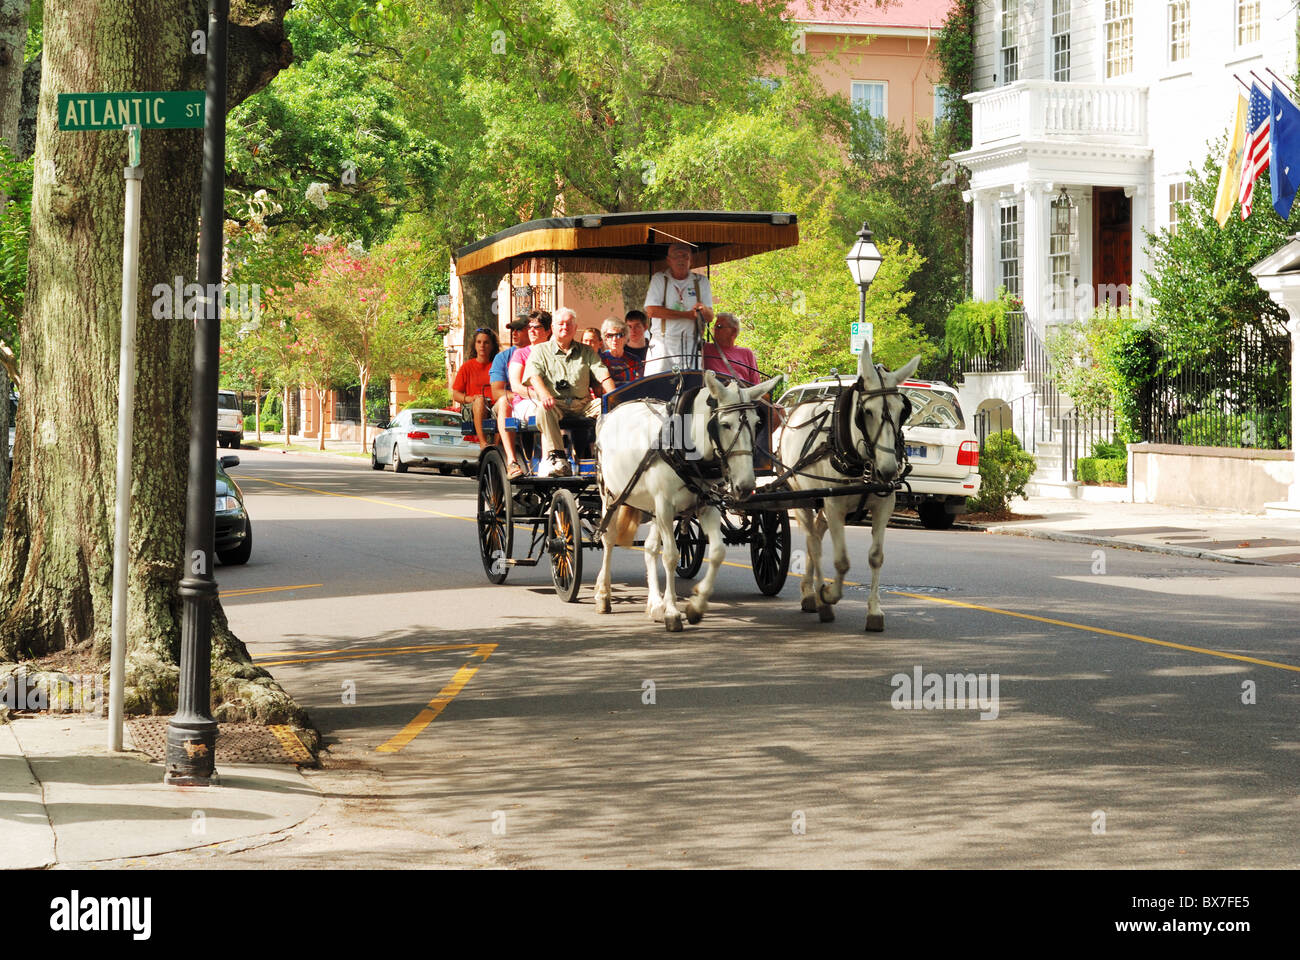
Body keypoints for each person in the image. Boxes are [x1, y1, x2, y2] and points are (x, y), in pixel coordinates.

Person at [523, 307, 616, 477]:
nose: (565, 327)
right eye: (561, 324)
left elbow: (603, 376)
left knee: (609, 407)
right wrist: (544, 394)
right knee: (543, 409)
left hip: (583, 404)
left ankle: (611, 454)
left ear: (575, 327)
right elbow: (534, 376)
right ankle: (557, 458)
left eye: (569, 324)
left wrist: (615, 398)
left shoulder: (587, 352)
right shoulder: (540, 350)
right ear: (553, 327)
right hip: (555, 403)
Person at [642, 242, 714, 376]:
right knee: (656, 386)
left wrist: (703, 309)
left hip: (691, 343)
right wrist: (687, 315)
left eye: (685, 256)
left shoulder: (701, 281)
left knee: (691, 387)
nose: (680, 259)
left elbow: (710, 317)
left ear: (691, 260)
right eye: (676, 256)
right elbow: (652, 311)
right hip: (662, 344)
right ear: (669, 260)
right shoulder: (659, 279)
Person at [490, 314, 531, 477]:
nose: (514, 333)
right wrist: (521, 395)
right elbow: (496, 391)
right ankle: (511, 461)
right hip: (509, 403)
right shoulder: (502, 358)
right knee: (504, 401)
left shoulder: (542, 352)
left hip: (533, 402)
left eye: (519, 329)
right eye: (513, 330)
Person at [451, 327, 498, 446]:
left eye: (486, 342)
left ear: (492, 346)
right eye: (479, 342)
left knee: (504, 404)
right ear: (475, 345)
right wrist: (470, 398)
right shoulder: (467, 367)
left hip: (493, 406)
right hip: (473, 407)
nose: (482, 345)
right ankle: (483, 443)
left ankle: (497, 447)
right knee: (480, 400)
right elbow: (456, 394)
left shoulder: (497, 365)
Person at [702, 312, 759, 384]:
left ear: (733, 331)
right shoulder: (705, 348)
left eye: (719, 326)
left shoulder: (747, 353)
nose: (715, 330)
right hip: (716, 391)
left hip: (741, 392)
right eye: (714, 327)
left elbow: (755, 384)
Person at [598, 316, 642, 385]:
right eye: (610, 335)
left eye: (619, 335)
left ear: (625, 337)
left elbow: (640, 383)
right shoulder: (600, 360)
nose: (614, 339)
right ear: (605, 338)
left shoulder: (634, 360)